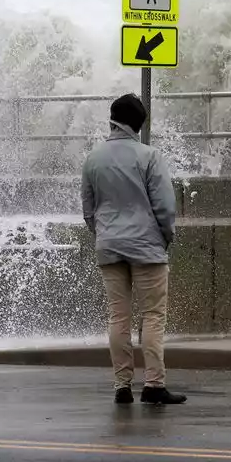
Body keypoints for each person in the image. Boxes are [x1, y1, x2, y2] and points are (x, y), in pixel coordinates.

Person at [81, 93, 186, 405]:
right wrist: (165, 237)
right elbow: (165, 206)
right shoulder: (149, 156)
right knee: (153, 315)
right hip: (147, 246)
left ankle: (121, 386)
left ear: (112, 119)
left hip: (109, 246)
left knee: (118, 316)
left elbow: (88, 208)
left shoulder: (93, 158)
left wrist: (103, 233)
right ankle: (153, 385)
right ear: (139, 125)